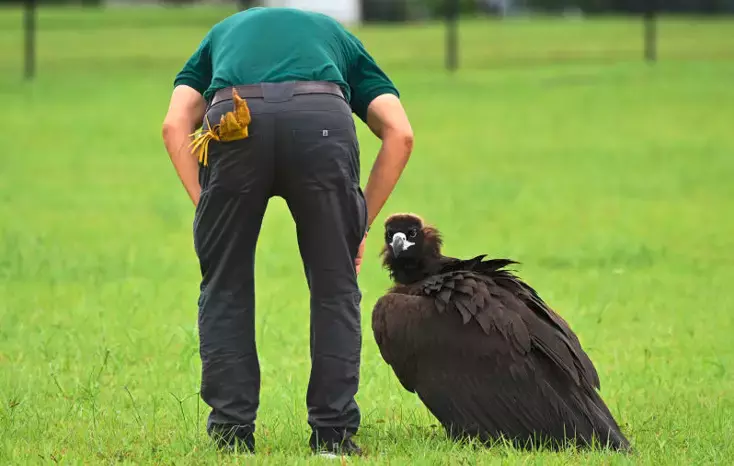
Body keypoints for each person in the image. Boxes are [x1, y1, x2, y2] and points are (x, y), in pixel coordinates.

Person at [161, 6, 414, 457]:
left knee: (225, 286)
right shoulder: (335, 36)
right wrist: (360, 222)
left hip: (235, 118)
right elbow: (400, 133)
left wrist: (207, 205)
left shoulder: (220, 34)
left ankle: (231, 439)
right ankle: (332, 437)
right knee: (335, 289)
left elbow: (174, 123)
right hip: (321, 122)